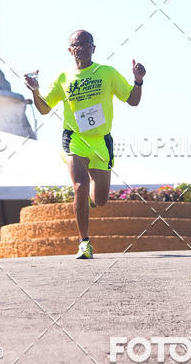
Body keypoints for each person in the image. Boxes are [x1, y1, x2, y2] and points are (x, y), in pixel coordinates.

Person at [24, 30, 146, 259]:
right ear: (70, 50)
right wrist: (35, 91)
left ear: (94, 48)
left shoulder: (107, 73)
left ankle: (90, 193)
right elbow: (44, 109)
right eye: (76, 44)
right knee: (79, 185)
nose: (81, 47)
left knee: (100, 200)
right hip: (75, 138)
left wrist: (138, 81)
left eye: (86, 43)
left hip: (101, 141)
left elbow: (133, 100)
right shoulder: (64, 78)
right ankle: (84, 242)